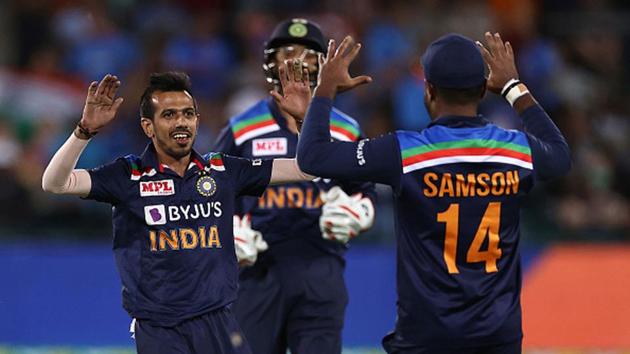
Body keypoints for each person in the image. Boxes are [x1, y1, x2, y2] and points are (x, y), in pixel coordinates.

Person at [280, 32, 571, 353]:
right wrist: (514, 87)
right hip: (497, 336)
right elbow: (560, 155)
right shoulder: (516, 150)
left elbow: (312, 157)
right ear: (482, 90)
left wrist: (324, 91)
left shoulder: (404, 151)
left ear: (429, 90)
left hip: (426, 335)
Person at [41, 72, 314, 354]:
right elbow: (54, 183)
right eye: (169, 115)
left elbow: (306, 169)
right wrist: (84, 130)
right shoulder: (128, 176)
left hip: (219, 321)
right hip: (160, 329)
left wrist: (305, 121)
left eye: (188, 114)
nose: (181, 122)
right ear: (148, 126)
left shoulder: (223, 170)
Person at [213, 18, 376, 354]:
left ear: (322, 64)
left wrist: (361, 212)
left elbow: (365, 192)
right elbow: (209, 189)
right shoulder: (243, 129)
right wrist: (225, 231)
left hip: (321, 266)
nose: (297, 60)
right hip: (256, 270)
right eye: (288, 51)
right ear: (271, 61)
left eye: (308, 53)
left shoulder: (345, 130)